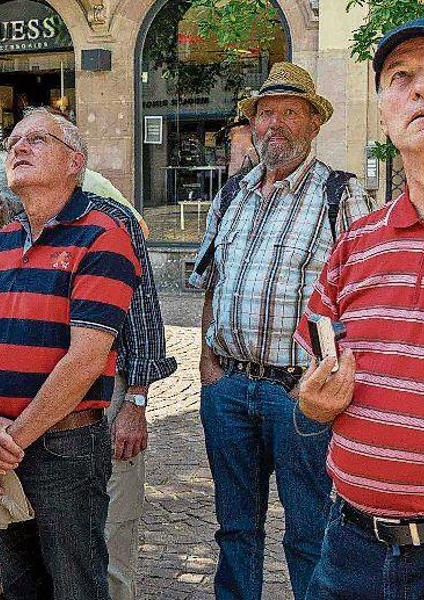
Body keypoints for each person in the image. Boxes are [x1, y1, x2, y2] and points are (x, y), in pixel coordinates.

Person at [187, 62, 375, 600]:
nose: (277, 124)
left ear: (314, 123)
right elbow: (210, 280)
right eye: (267, 113)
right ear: (253, 123)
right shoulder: (231, 196)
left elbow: (358, 301)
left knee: (308, 532)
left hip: (298, 395)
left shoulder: (340, 194)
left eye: (291, 112)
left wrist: (322, 382)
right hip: (227, 390)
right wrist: (207, 363)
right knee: (235, 528)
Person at [0, 110, 142, 599]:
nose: (19, 147)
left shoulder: (103, 236)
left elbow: (86, 359)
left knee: (74, 584)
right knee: (19, 583)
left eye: (37, 139)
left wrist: (9, 441)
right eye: (14, 140)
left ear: (74, 163)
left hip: (63, 448)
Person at [290, 20, 424, 598]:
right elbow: (313, 361)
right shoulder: (358, 242)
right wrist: (311, 401)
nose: (419, 90)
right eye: (402, 77)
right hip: (351, 547)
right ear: (382, 106)